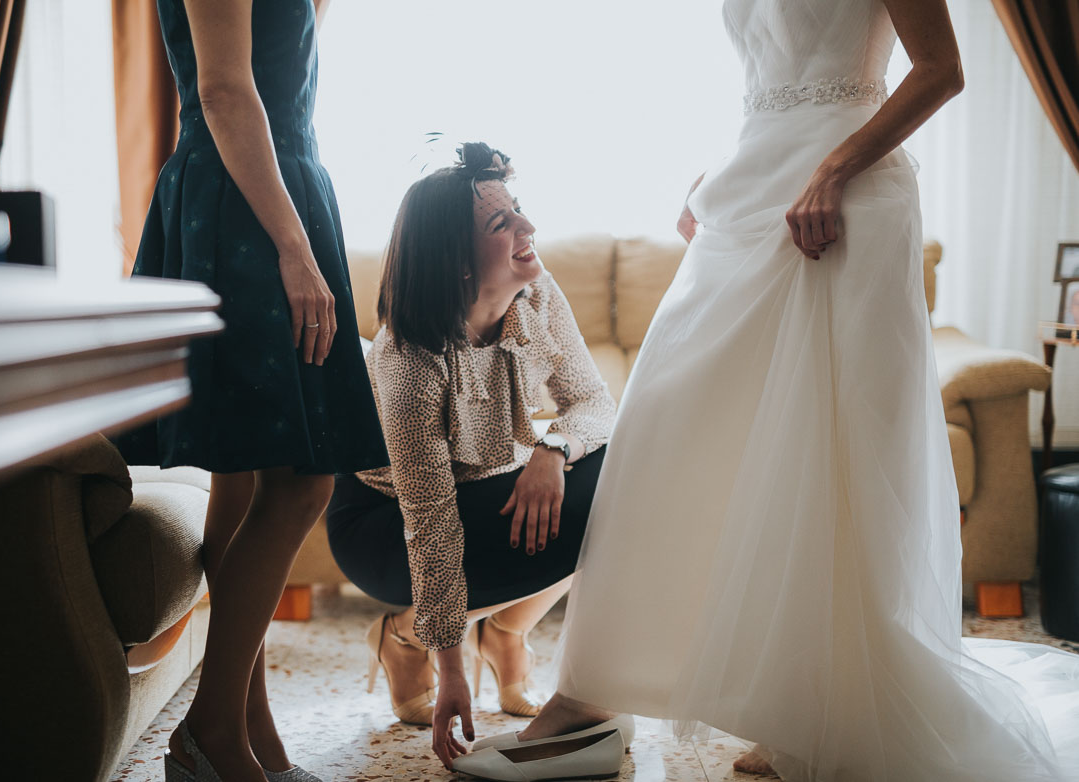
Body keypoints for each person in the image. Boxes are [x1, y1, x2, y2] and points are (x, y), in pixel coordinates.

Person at [453, 1, 1079, 781]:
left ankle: (812, 710)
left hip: (844, 203)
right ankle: (591, 702)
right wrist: (720, 170)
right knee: (666, 431)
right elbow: (776, 82)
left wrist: (830, 169)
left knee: (825, 454)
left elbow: (940, 71)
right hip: (750, 189)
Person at [118, 1, 388, 781]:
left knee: (241, 476)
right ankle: (208, 734)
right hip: (246, 209)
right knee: (302, 484)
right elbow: (227, 92)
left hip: (266, 186)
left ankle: (248, 730)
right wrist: (295, 247)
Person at [325, 143, 616, 768]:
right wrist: (450, 672)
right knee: (556, 511)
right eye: (501, 223)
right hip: (385, 524)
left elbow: (595, 403)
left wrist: (553, 449)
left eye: (520, 210)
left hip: (497, 484)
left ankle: (508, 630)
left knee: (626, 474)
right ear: (456, 262)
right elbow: (431, 527)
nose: (527, 228)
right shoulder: (408, 364)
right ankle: (406, 635)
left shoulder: (538, 295)